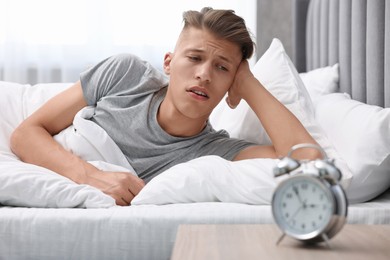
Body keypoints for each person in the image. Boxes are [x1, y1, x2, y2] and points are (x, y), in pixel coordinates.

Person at [10, 7, 320, 206]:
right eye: (195, 58)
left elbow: (310, 162)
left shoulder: (214, 152)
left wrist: (249, 85)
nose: (204, 74)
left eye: (222, 68)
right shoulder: (125, 75)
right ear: (168, 63)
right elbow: (26, 134)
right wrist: (89, 176)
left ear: (231, 86)